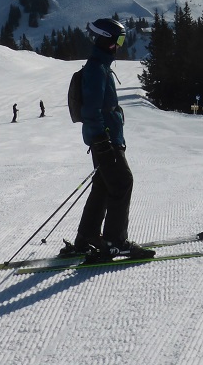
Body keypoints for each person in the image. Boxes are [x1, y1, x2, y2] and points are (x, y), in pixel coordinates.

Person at [63, 17, 154, 261]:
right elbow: (91, 111)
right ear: (106, 40)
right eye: (119, 40)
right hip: (105, 141)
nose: (121, 45)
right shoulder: (95, 69)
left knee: (103, 187)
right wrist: (102, 140)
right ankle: (115, 242)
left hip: (106, 139)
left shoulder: (100, 67)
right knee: (123, 182)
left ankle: (87, 237)